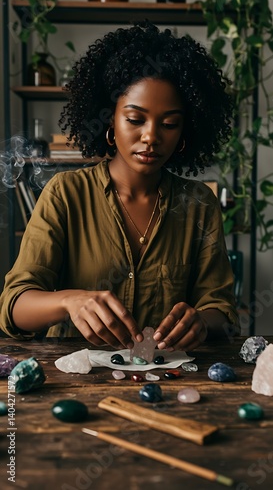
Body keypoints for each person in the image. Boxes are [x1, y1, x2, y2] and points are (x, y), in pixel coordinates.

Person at [0, 21, 240, 351]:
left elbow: (223, 312)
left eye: (169, 124)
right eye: (135, 119)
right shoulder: (66, 194)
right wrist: (70, 301)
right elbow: (14, 308)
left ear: (185, 133)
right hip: (76, 379)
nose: (151, 136)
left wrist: (200, 322)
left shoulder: (199, 203)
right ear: (110, 120)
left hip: (168, 382)